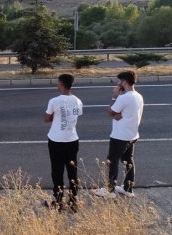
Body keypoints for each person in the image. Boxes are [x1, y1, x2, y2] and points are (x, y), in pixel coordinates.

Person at [95, 70, 144, 199]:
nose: (118, 84)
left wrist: (114, 96)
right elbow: (121, 114)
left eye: (120, 81)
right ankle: (128, 189)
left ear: (125, 82)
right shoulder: (138, 96)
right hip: (132, 134)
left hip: (120, 135)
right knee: (128, 161)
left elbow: (111, 112)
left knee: (112, 161)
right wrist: (118, 115)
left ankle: (110, 191)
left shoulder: (123, 97)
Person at [44, 74, 83, 211]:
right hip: (72, 139)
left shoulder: (54, 101)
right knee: (72, 172)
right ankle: (73, 202)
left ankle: (58, 201)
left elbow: (47, 118)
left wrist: (57, 116)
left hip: (56, 140)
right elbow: (76, 115)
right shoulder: (78, 101)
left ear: (61, 84)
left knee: (57, 171)